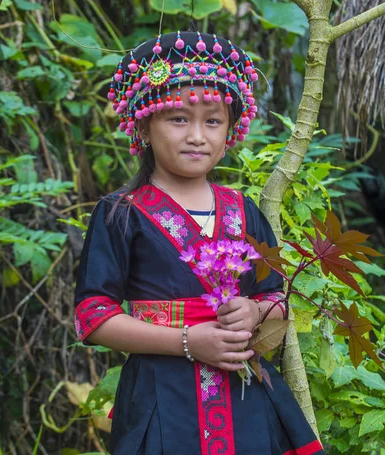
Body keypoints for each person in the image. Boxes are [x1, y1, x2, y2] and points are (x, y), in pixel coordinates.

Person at [74, 30, 324, 455]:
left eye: (212, 121)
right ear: (144, 127)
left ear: (229, 132)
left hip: (248, 398)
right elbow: (93, 317)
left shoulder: (244, 211)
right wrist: (188, 342)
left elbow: (275, 297)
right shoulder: (120, 214)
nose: (196, 135)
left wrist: (255, 310)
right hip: (160, 400)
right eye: (178, 119)